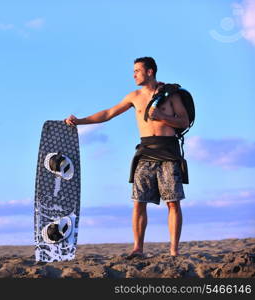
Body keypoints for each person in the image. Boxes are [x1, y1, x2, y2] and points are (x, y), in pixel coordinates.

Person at [64, 57, 189, 258]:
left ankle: (174, 250)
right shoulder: (134, 96)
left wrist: (162, 117)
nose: (133, 75)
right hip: (145, 152)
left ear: (149, 72)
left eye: (137, 70)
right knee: (139, 202)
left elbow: (183, 121)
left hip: (169, 152)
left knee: (173, 202)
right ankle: (138, 249)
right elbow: (109, 113)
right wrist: (79, 121)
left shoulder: (171, 94)